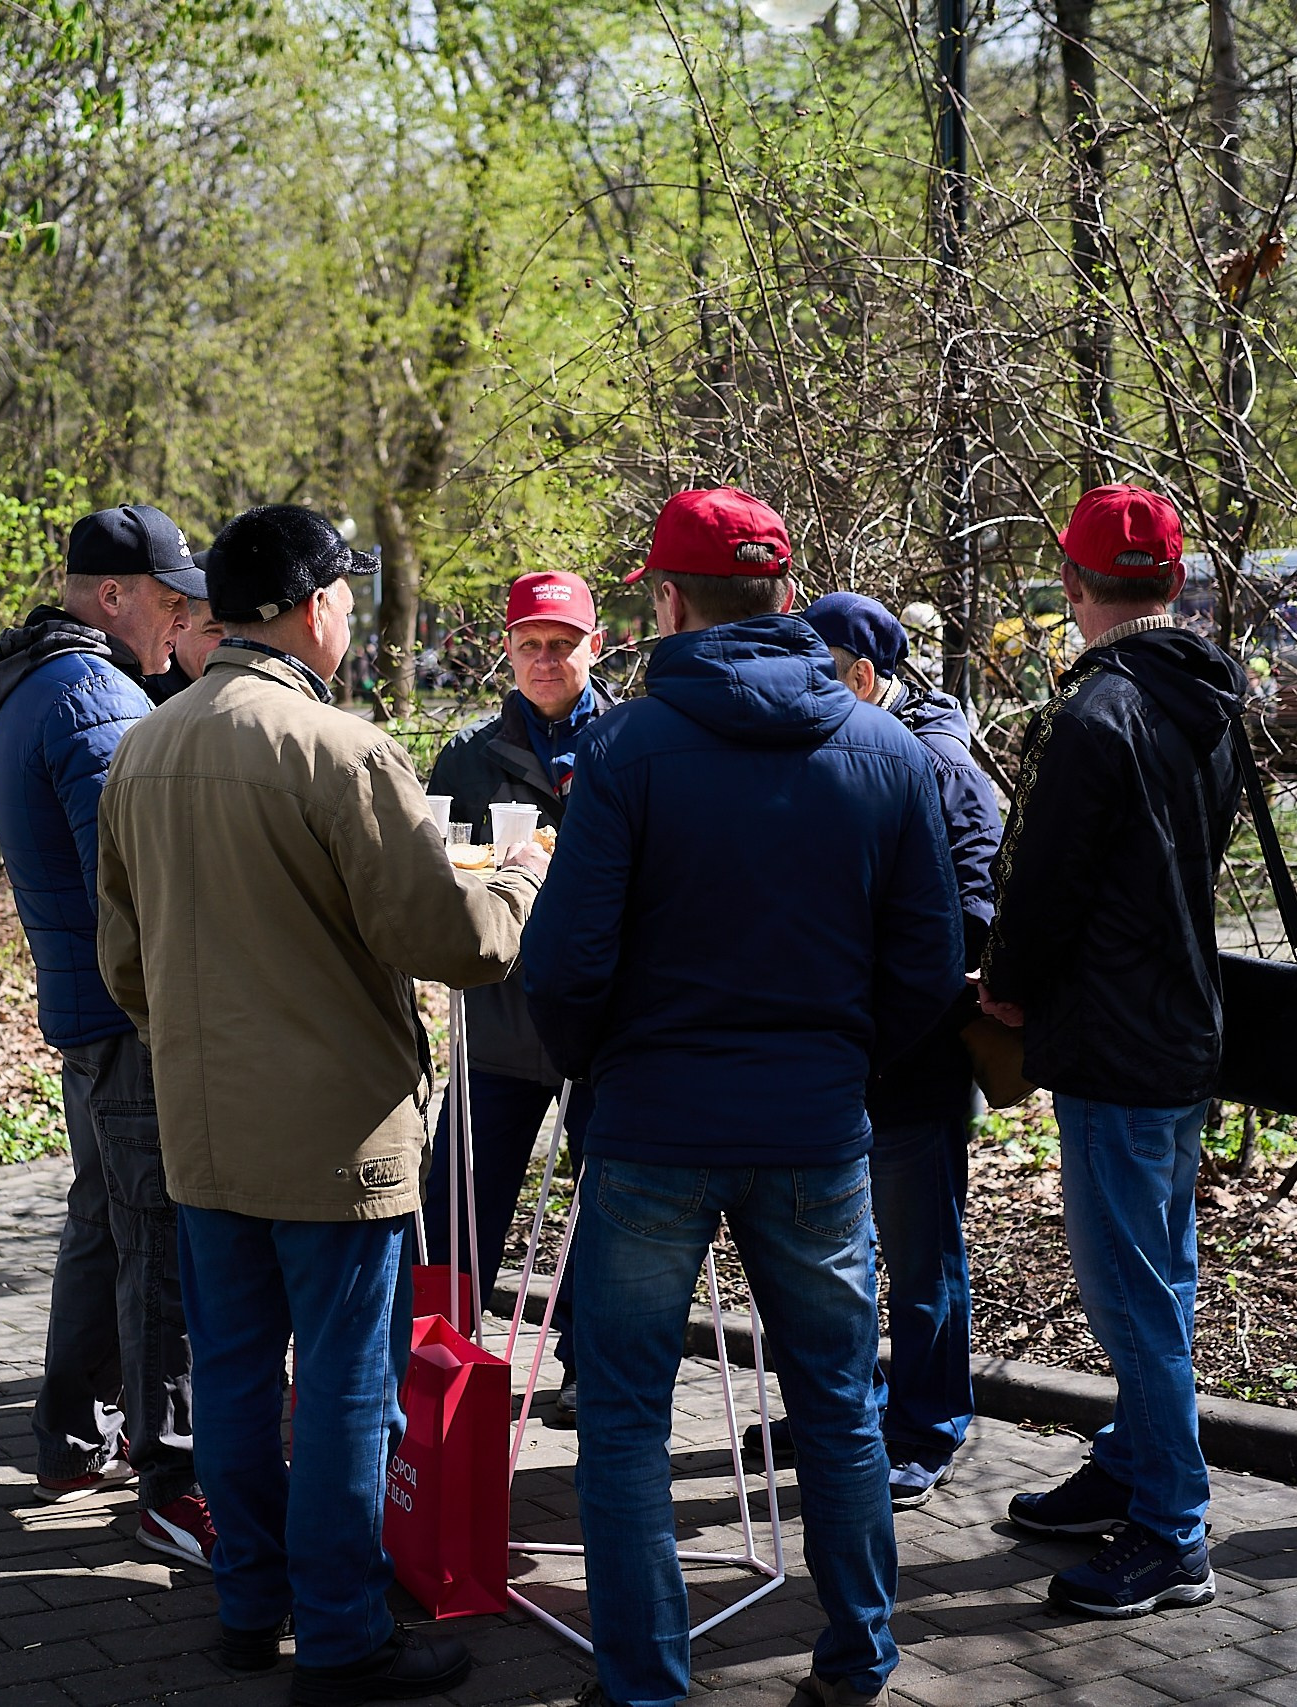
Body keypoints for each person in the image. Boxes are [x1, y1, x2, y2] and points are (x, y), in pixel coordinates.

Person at [95, 504, 550, 1705]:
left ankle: (251, 1609)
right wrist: (516, 880)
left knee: (237, 1380)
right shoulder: (337, 748)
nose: (350, 611)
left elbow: (124, 963)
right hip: (338, 1136)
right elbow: (451, 942)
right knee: (348, 1392)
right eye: (345, 594)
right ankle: (343, 1637)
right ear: (310, 610)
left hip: (203, 1129)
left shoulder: (146, 743)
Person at [524, 488, 965, 1707]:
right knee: (834, 1401)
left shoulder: (624, 751)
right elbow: (926, 968)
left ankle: (644, 1684)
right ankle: (861, 1656)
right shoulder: (885, 753)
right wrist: (842, 1062)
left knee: (622, 1415)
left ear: (667, 603)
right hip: (813, 1128)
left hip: (655, 1127)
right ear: (785, 593)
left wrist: (604, 1066)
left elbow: (562, 966)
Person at [978, 484, 1244, 1618]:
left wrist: (1003, 991)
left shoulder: (1095, 716)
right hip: (1184, 1026)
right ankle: (1133, 1465)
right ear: (1172, 583)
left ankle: (1171, 1531)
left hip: (1114, 1041)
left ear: (1072, 585)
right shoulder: (1208, 697)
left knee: (1132, 1293)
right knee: (1159, 1274)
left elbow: (1045, 888)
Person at [0, 503, 207, 1567]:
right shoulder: (92, 696)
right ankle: (171, 1479)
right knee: (154, 1241)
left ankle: (73, 1441)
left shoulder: (43, 681)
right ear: (112, 597)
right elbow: (139, 885)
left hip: (86, 1012)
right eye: (167, 603)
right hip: (126, 1020)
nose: (178, 622)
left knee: (105, 1226)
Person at [744, 592, 1000, 1507]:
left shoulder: (939, 765)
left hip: (907, 1062)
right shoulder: (828, 751)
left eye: (817, 672)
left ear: (863, 677)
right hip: (835, 1062)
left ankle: (929, 1427)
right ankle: (848, 1405)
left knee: (921, 1257)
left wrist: (879, 1006)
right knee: (833, 1258)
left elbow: (971, 915)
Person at [422, 570, 612, 1424]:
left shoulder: (633, 740)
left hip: (604, 1023)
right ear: (507, 648)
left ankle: (588, 1361)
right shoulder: (465, 756)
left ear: (594, 646)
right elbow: (430, 872)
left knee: (606, 1199)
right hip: (497, 1017)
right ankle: (434, 1361)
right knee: (456, 1197)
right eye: (530, 644)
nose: (545, 660)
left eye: (562, 645)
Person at [144, 594, 227, 704]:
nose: (232, 646)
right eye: (214, 631)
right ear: (179, 627)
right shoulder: (142, 702)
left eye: (241, 634)